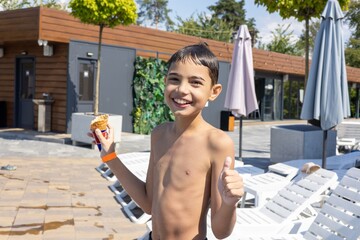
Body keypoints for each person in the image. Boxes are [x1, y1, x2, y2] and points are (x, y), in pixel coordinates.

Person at [92, 42, 244, 239]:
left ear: (213, 92)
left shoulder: (216, 143)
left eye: (195, 82)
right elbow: (148, 204)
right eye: (174, 79)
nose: (182, 89)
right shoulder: (159, 135)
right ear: (165, 82)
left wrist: (230, 203)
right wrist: (110, 157)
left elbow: (220, 231)